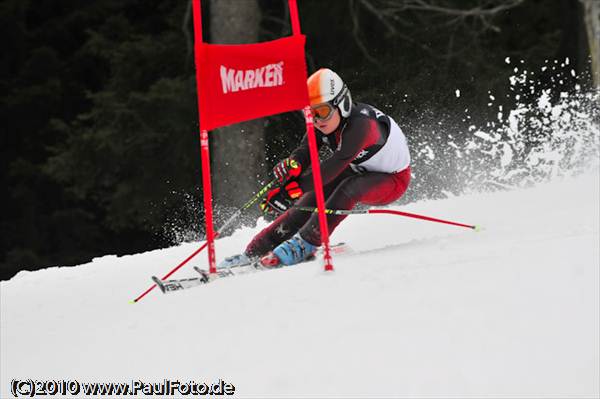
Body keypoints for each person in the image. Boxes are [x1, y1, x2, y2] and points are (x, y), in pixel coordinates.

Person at [219, 68, 412, 267]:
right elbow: (306, 150)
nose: (316, 119)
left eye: (322, 111)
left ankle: (306, 243)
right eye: (309, 113)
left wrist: (291, 191)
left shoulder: (362, 126)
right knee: (308, 201)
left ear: (342, 104)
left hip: (393, 180)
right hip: (359, 169)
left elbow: (336, 163)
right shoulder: (325, 123)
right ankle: (256, 250)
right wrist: (292, 166)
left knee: (347, 189)